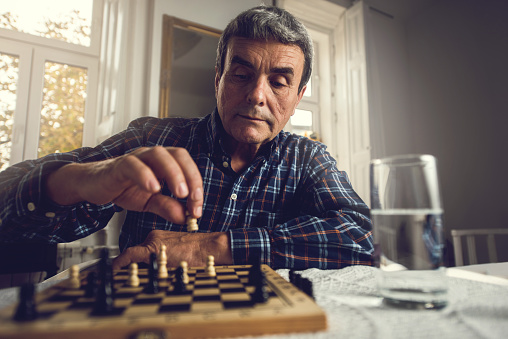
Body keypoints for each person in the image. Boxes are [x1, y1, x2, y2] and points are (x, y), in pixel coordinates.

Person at [0, 6, 373, 270]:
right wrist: (78, 180)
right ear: (218, 80)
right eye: (241, 74)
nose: (258, 95)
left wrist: (211, 247)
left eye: (278, 82)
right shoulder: (153, 137)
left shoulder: (308, 159)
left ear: (296, 99)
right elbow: (9, 206)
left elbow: (364, 237)